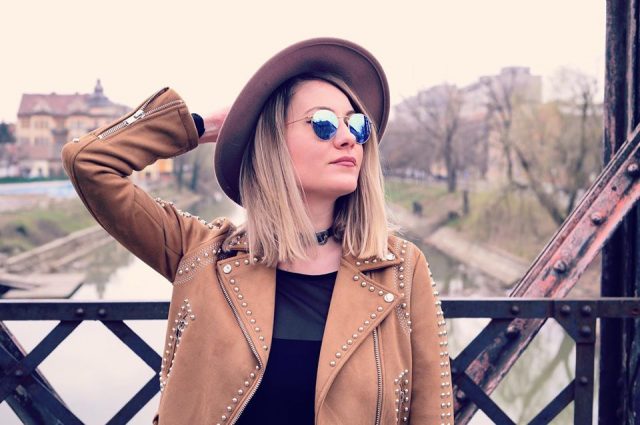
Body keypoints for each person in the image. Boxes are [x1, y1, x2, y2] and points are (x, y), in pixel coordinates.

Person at [61, 38, 453, 425]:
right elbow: (88, 161)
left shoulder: (401, 268)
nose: (348, 137)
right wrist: (203, 126)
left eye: (357, 124)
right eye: (323, 123)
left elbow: (432, 416)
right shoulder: (200, 254)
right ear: (271, 142)